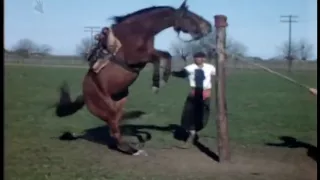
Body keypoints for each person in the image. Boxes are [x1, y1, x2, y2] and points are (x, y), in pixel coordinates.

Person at [171, 52, 216, 147]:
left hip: (205, 93)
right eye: (196, 58)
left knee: (202, 115)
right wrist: (170, 72)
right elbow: (181, 74)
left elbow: (218, 75)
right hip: (194, 93)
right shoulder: (190, 68)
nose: (197, 59)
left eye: (199, 58)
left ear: (204, 59)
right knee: (189, 115)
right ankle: (191, 134)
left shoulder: (210, 68)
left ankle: (195, 132)